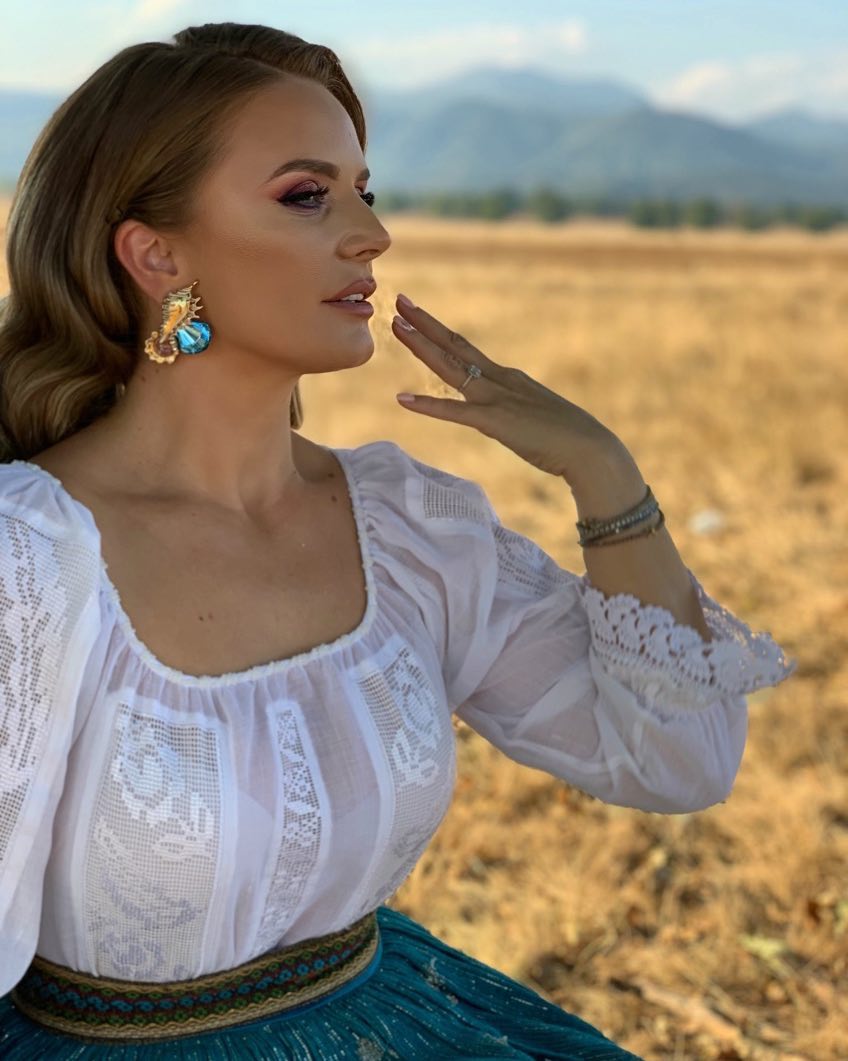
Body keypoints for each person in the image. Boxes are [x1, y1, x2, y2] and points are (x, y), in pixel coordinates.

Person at [0, 21, 794, 1061]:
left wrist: (605, 475)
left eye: (363, 191)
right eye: (306, 195)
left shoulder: (405, 528)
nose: (371, 235)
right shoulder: (28, 560)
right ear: (157, 253)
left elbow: (674, 761)